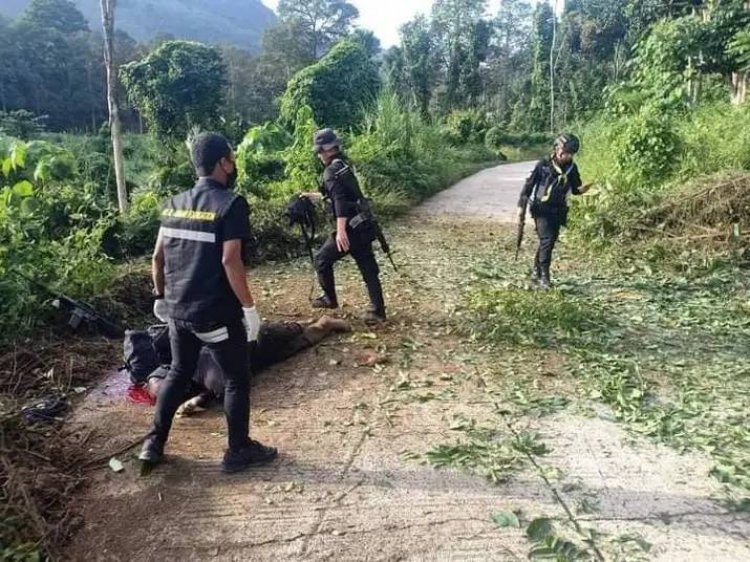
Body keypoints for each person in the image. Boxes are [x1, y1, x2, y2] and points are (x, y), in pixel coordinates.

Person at [140, 132, 277, 474]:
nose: (233, 164)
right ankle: (238, 451)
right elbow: (231, 261)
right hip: (215, 314)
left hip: (178, 312)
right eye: (230, 158)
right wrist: (249, 309)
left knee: (178, 371)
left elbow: (157, 257)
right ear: (221, 163)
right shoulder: (231, 204)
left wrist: (160, 297)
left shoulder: (174, 202)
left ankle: (153, 444)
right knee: (236, 379)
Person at [146, 316, 351, 416]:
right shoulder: (174, 366)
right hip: (244, 353)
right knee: (292, 345)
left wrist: (200, 398)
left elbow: (227, 388)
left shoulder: (207, 369)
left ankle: (321, 323)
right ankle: (316, 324)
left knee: (290, 333)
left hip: (252, 341)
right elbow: (154, 384)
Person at [301, 128, 386, 325]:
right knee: (367, 267)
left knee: (322, 260)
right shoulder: (343, 166)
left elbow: (339, 201)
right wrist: (309, 196)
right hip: (363, 225)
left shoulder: (331, 171)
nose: (319, 155)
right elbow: (336, 196)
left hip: (349, 228)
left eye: (321, 151)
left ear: (329, 149)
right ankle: (378, 310)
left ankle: (329, 299)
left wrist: (340, 232)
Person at [517, 133, 591, 289]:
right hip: (540, 210)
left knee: (548, 242)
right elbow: (528, 188)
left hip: (558, 211)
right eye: (566, 153)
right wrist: (520, 209)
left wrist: (584, 189)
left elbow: (576, 188)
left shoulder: (572, 168)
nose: (568, 156)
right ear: (557, 149)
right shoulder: (543, 165)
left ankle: (536, 271)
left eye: (571, 154)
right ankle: (545, 276)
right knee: (547, 240)